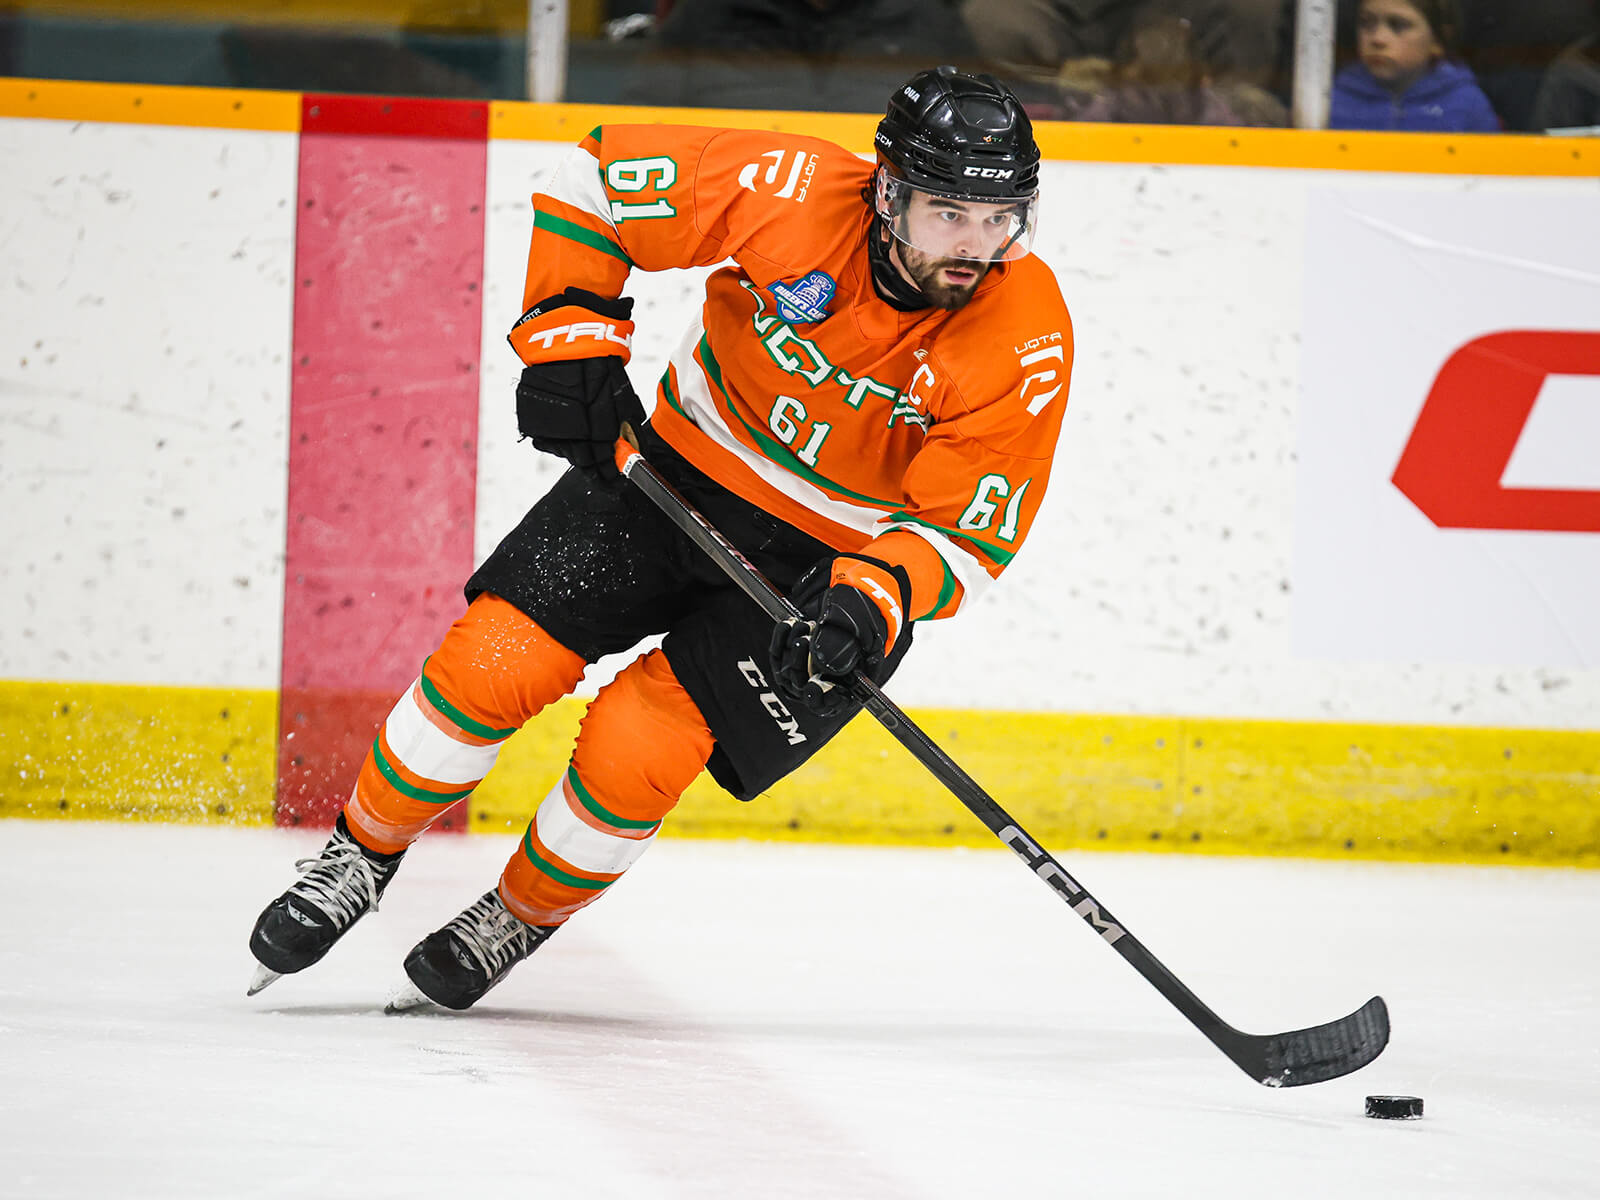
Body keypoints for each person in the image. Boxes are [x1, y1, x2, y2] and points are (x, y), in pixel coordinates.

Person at [246, 65, 1075, 1012]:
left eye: (1001, 218)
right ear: (887, 194)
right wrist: (570, 336)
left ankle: (514, 916)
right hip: (667, 477)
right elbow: (595, 179)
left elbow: (962, 526)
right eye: (948, 216)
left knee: (640, 748)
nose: (976, 247)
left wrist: (874, 598)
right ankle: (357, 858)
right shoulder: (790, 191)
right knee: (490, 666)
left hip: (824, 572)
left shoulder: (1028, 332)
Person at [1329, 0, 1499, 132]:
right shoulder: (1330, 100)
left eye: (1398, 25)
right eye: (1366, 23)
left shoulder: (1467, 104)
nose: (1377, 39)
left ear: (1438, 40)